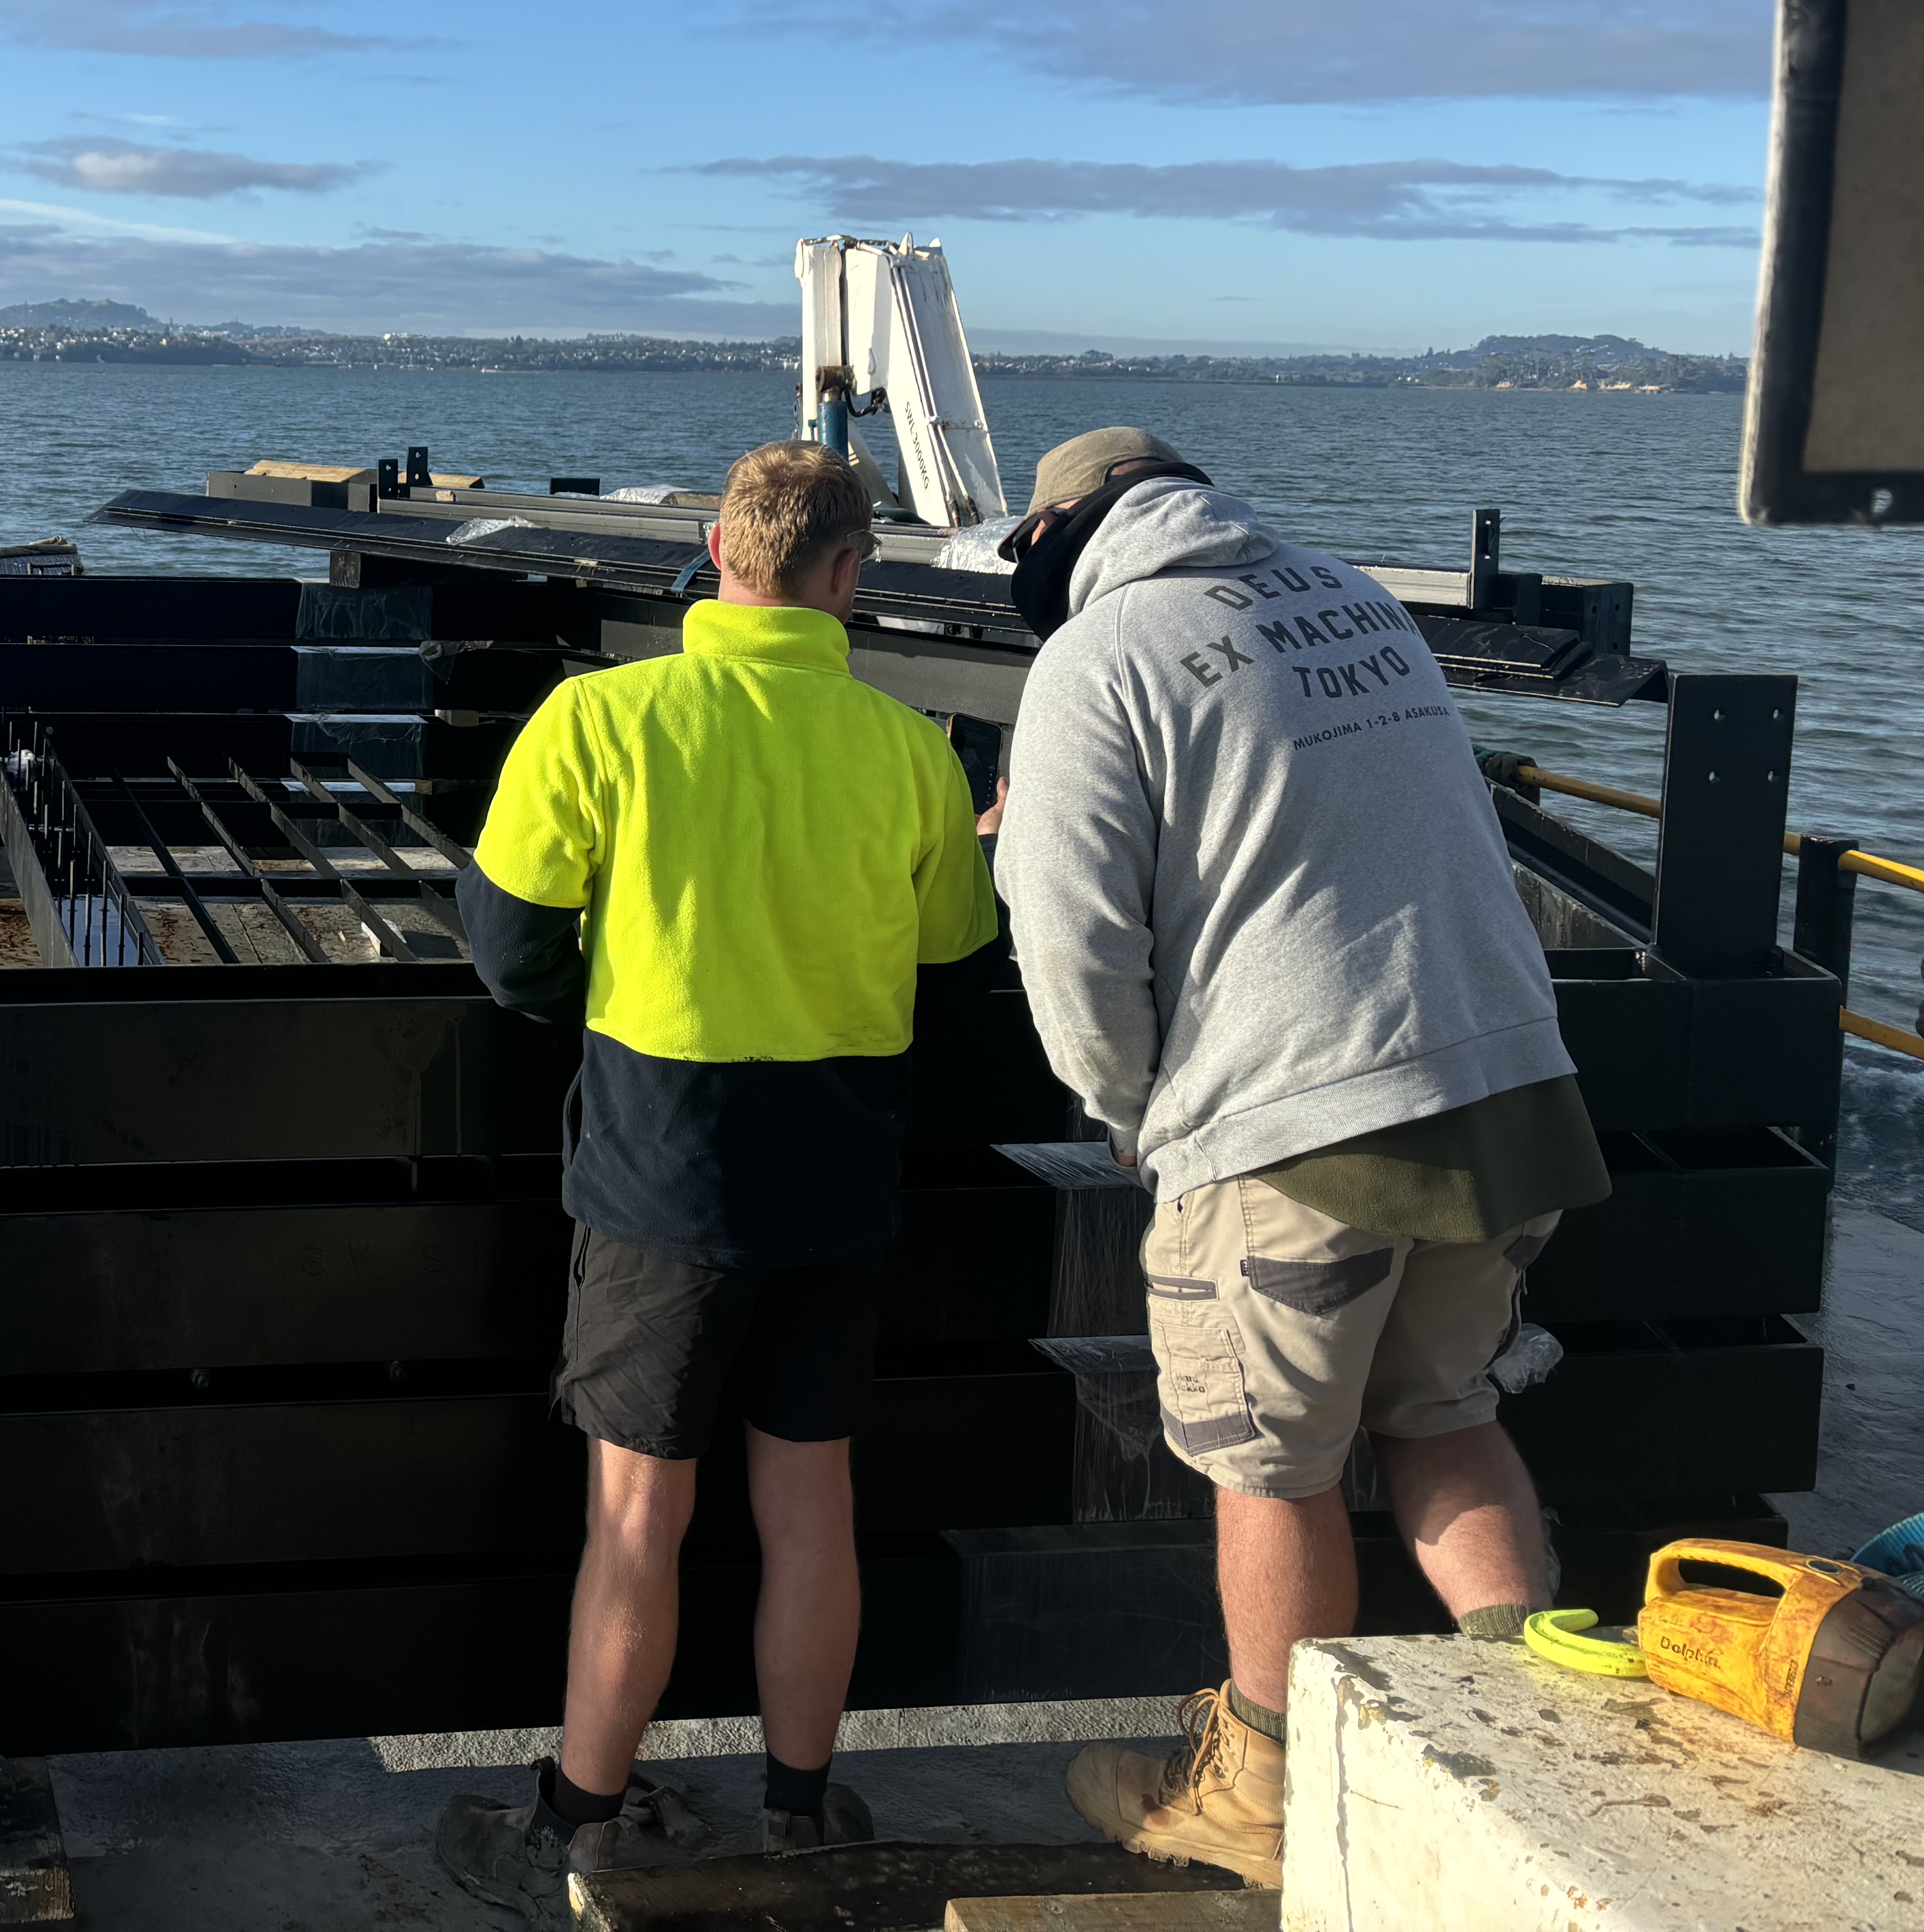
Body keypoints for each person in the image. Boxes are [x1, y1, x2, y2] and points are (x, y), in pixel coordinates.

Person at [991, 427, 1609, 1891]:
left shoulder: (1100, 657)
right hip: (1505, 1077)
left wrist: (1136, 1117)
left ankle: (1262, 1791)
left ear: (1063, 538)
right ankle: (1537, 1780)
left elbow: (1075, 940)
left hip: (1295, 1116)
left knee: (1272, 1463)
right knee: (1444, 1410)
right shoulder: (1358, 601)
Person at [433, 440, 1001, 1911]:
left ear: (716, 555)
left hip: (662, 1167)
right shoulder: (912, 747)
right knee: (812, 1501)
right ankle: (804, 1808)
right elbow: (954, 955)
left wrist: (607, 981)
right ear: (847, 573)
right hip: (841, 1160)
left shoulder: (600, 719)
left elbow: (508, 951)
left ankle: (579, 1816)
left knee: (639, 1513)